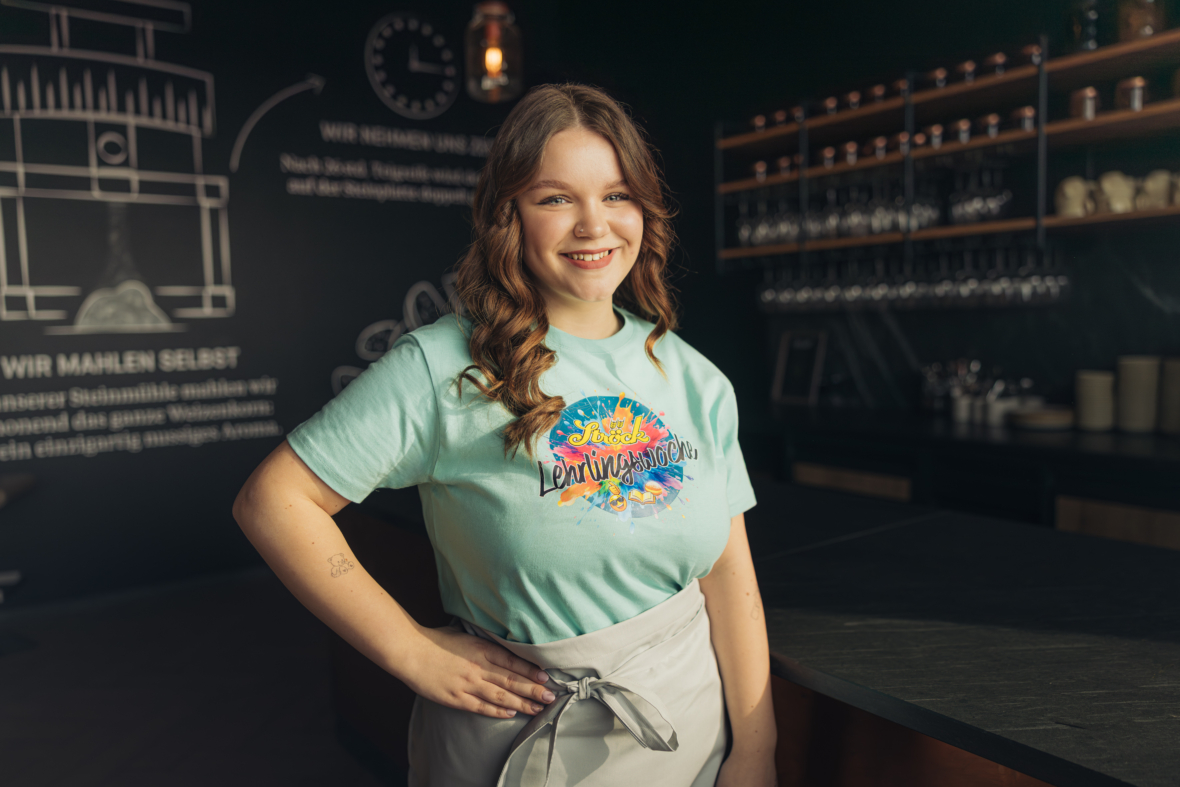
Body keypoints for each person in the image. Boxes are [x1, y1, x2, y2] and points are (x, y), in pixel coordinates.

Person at [233, 83, 776, 787]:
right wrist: (411, 650)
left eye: (616, 195)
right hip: (516, 746)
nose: (594, 225)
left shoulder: (695, 378)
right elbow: (272, 501)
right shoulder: (442, 365)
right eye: (556, 198)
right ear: (509, 214)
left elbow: (730, 577)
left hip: (687, 738)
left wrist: (756, 749)